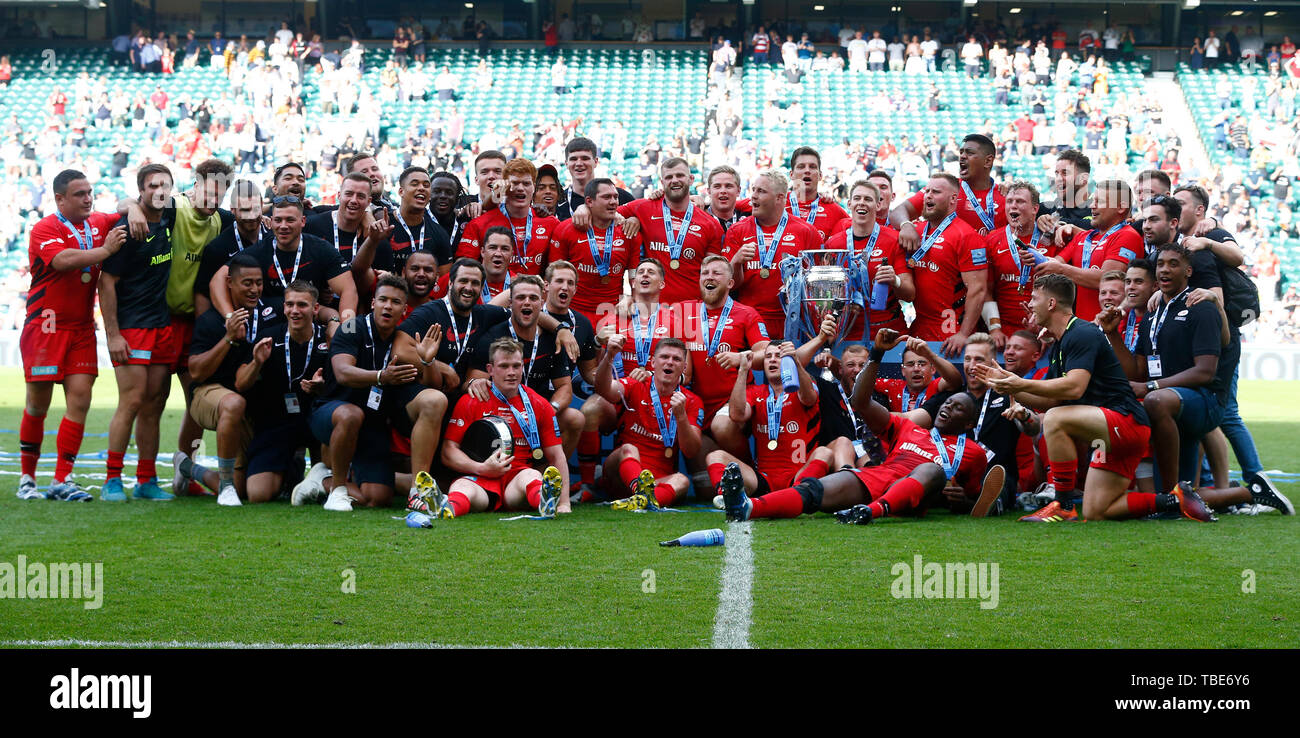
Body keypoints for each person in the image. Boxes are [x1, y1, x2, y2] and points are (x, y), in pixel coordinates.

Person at [976, 274, 1210, 522]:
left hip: (1126, 421)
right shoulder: (1062, 342)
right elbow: (1052, 399)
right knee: (1097, 511)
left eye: (1035, 298)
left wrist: (1019, 382)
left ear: (1052, 303)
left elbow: (1074, 388)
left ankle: (1063, 504)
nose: (1030, 304)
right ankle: (1175, 500)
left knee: (1054, 420)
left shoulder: (1082, 333)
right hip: (1110, 428)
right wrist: (1007, 387)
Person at [720, 328, 998, 523]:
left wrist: (965, 501)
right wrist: (876, 353)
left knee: (931, 469)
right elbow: (861, 403)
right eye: (947, 404)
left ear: (970, 421)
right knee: (814, 491)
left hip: (916, 495)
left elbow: (978, 494)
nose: (947, 406)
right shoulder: (910, 428)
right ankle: (747, 508)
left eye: (957, 407)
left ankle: (871, 511)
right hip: (877, 478)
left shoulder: (973, 451)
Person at [17, 170, 131, 501]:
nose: (87, 198)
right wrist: (105, 252)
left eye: (90, 192)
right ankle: (27, 479)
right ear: (60, 199)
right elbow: (63, 260)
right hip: (46, 325)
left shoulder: (97, 221)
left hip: (81, 327)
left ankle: (62, 478)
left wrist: (132, 209)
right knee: (37, 405)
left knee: (80, 398)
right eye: (79, 193)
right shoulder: (44, 229)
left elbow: (124, 207)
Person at [309, 275, 446, 512]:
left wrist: (427, 360)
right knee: (350, 414)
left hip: (373, 423)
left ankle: (320, 481)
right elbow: (342, 372)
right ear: (373, 303)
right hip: (333, 410)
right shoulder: (352, 328)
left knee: (377, 498)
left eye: (395, 302)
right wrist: (381, 376)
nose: (387, 306)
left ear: (404, 309)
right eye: (383, 300)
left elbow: (432, 386)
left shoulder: (402, 338)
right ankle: (338, 489)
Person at [98, 164, 179, 502]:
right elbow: (106, 282)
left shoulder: (171, 215)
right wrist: (113, 335)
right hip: (133, 327)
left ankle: (146, 480)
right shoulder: (126, 229)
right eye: (152, 186)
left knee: (154, 404)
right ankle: (112, 480)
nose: (159, 191)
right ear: (141, 190)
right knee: (131, 401)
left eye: (165, 185)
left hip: (162, 325)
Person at [439, 337, 567, 518]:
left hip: (517, 479)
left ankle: (545, 502)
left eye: (516, 366)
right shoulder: (471, 400)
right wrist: (481, 468)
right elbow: (448, 452)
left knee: (533, 477)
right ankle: (448, 509)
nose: (511, 372)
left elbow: (557, 455)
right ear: (490, 369)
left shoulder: (539, 404)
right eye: (504, 366)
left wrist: (565, 503)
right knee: (460, 486)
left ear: (523, 367)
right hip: (481, 478)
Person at [705, 341, 835, 502]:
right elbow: (737, 415)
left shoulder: (802, 386)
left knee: (825, 453)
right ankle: (726, 497)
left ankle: (800, 495)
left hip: (799, 475)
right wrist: (743, 371)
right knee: (715, 456)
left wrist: (795, 362)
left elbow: (809, 398)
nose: (772, 360)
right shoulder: (755, 391)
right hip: (763, 479)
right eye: (768, 357)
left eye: (779, 356)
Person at [186, 253, 267, 505]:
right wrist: (228, 339)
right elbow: (196, 373)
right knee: (233, 403)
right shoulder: (211, 320)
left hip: (247, 402)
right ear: (229, 283)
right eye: (247, 283)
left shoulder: (269, 316)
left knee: (248, 490)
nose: (255, 289)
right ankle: (226, 486)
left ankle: (188, 467)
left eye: (259, 283)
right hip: (208, 394)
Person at [594, 336, 704, 510]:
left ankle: (643, 501)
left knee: (682, 480)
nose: (670, 362)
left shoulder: (690, 401)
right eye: (664, 357)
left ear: (684, 367)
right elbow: (603, 389)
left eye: (676, 359)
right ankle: (642, 492)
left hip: (658, 480)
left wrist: (681, 417)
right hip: (620, 475)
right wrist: (609, 357)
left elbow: (691, 451)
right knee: (629, 449)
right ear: (653, 362)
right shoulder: (636, 384)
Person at [681, 255, 771, 454]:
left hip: (736, 398)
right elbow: (650, 317)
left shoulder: (746, 313)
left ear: (731, 283)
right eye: (704, 273)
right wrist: (628, 302)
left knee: (721, 426)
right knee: (700, 464)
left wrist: (741, 358)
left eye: (716, 273)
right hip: (699, 401)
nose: (709, 277)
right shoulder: (685, 311)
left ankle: (752, 477)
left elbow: (766, 353)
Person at [217, 196, 357, 323]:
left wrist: (347, 331)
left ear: (302, 221)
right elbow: (218, 280)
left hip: (310, 326)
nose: (283, 226)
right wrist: (230, 317)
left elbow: (349, 289)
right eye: (278, 220)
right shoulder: (259, 251)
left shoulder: (320, 248)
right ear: (271, 222)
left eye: (290, 220)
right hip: (268, 328)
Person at [721, 169, 821, 338]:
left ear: (780, 198)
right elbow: (728, 285)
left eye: (761, 191)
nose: (753, 196)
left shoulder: (807, 232)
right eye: (753, 190)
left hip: (793, 323)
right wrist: (736, 262)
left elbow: (817, 286)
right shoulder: (737, 230)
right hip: (748, 322)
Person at [612, 157, 725, 304]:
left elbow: (713, 275)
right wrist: (628, 219)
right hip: (651, 308)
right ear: (662, 182)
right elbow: (604, 212)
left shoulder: (711, 224)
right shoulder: (644, 208)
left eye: (680, 175)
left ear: (691, 179)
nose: (674, 180)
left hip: (691, 309)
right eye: (669, 177)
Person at [898, 173, 989, 355]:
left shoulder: (967, 236)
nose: (928, 195)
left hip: (950, 333)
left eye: (936, 192)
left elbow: (978, 289)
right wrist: (905, 224)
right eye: (927, 191)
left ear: (953, 199)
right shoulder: (917, 231)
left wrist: (963, 334)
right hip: (919, 327)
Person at [1037, 179, 1142, 321]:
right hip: (1082, 327)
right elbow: (1052, 265)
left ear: (1121, 207)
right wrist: (1034, 255)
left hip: (1109, 329)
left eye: (1099, 201)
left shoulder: (1128, 236)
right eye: (1093, 200)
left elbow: (1106, 279)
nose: (1092, 206)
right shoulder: (1083, 236)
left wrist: (1061, 269)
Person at [824, 179, 914, 338]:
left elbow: (909, 295)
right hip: (847, 332)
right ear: (849, 204)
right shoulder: (833, 243)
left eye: (868, 199)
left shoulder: (894, 240)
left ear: (878, 205)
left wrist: (895, 281)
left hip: (888, 331)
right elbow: (826, 296)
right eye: (857, 198)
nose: (862, 203)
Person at [546, 178, 642, 325]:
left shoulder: (628, 232)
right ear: (589, 202)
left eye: (615, 197)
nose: (613, 202)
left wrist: (632, 298)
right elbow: (553, 274)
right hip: (573, 312)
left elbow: (634, 275)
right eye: (606, 197)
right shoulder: (566, 229)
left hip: (611, 313)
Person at [895, 134, 1007, 239]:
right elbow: (899, 211)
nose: (962, 156)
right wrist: (906, 225)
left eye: (970, 153)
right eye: (961, 152)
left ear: (987, 161)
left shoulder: (1006, 197)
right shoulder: (944, 188)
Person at [458, 157, 558, 274]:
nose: (520, 188)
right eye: (514, 183)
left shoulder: (551, 223)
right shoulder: (478, 224)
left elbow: (557, 272)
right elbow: (462, 270)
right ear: (504, 187)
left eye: (526, 183)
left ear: (534, 187)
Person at [984, 181, 1047, 346]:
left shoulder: (1051, 238)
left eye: (1020, 201)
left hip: (1044, 332)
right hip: (1004, 336)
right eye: (1009, 201)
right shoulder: (991, 240)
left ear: (1035, 209)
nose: (1013, 206)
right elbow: (986, 290)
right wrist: (995, 329)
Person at [387, 166, 454, 271]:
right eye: (414, 184)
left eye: (426, 185)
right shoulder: (383, 225)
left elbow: (444, 281)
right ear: (401, 192)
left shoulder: (439, 234)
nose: (421, 188)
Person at [554, 137, 634, 220]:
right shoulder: (558, 202)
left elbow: (643, 220)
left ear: (596, 162)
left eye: (585, 158)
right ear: (566, 164)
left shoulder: (620, 196)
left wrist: (636, 221)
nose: (579, 163)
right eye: (573, 159)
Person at [704, 165, 751, 232]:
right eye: (717, 186)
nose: (723, 191)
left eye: (728, 186)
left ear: (738, 191)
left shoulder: (750, 217)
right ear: (709, 191)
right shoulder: (697, 216)